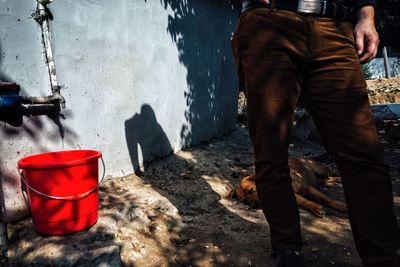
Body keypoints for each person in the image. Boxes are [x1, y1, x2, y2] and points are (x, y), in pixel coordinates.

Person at [231, 0, 400, 266]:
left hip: (333, 27)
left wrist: (366, 14)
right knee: (271, 151)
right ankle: (287, 252)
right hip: (269, 22)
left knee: (364, 154)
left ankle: (383, 258)